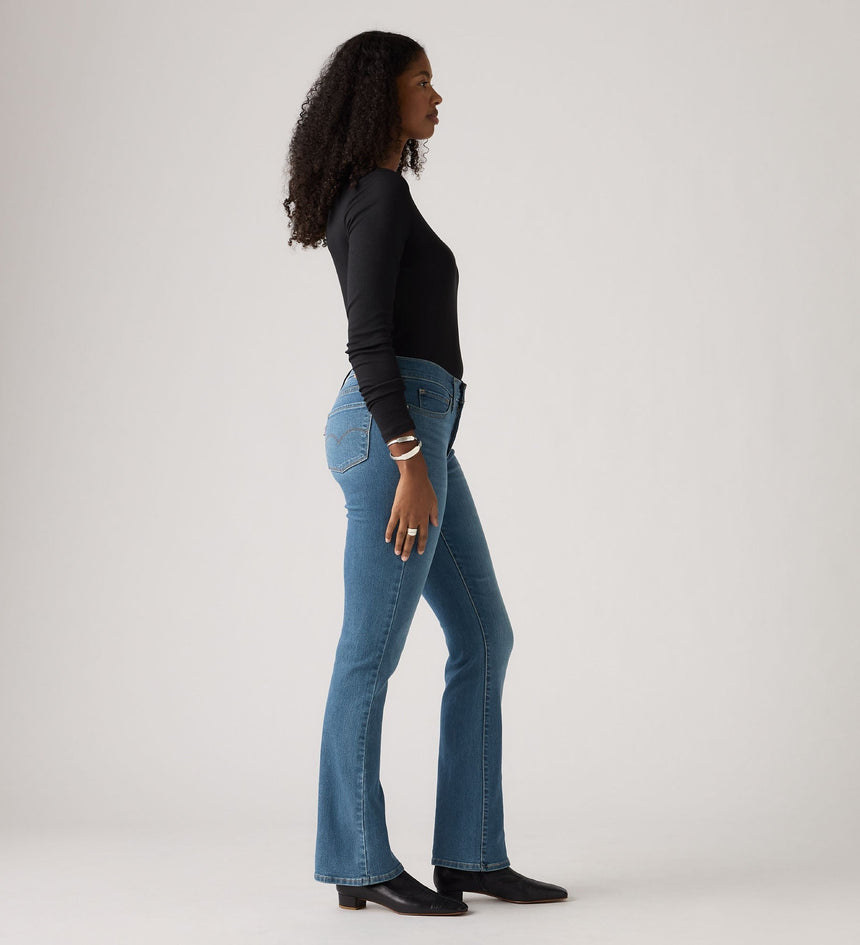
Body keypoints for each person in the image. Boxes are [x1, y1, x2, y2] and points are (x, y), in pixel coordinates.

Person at [282, 30, 568, 916]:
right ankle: (358, 860)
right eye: (422, 82)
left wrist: (423, 448)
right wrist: (410, 458)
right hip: (393, 436)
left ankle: (472, 852)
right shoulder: (376, 196)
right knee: (369, 651)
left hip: (417, 432)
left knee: (484, 634)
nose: (436, 98)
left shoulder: (379, 194)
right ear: (382, 96)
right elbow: (368, 340)